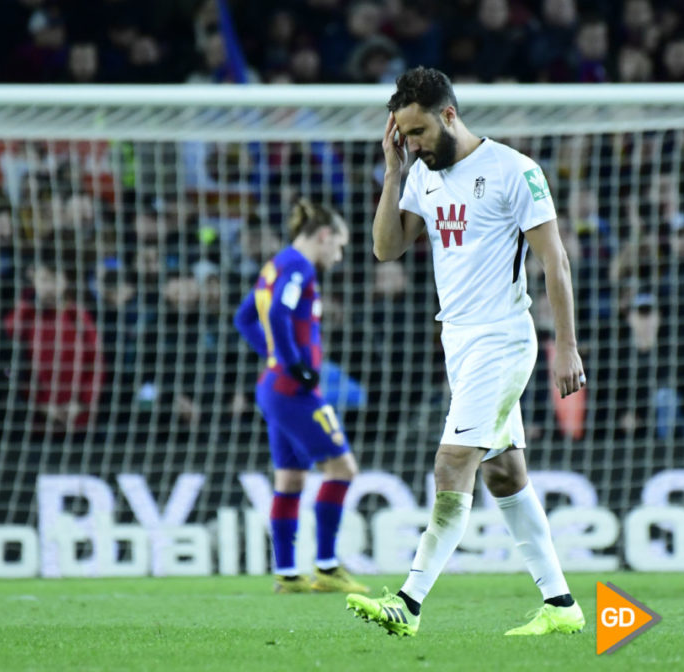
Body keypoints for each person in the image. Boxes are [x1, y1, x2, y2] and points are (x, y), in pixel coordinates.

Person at [345, 67, 586, 636]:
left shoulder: (514, 170)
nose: (414, 143)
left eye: (419, 131)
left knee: (453, 462)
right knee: (504, 474)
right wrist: (392, 170)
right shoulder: (420, 175)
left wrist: (566, 347)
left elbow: (555, 259)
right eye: (403, 135)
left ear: (448, 115)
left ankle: (409, 602)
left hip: (504, 338)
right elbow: (386, 249)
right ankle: (562, 607)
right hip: (459, 341)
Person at [234, 199, 368, 596]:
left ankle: (288, 575)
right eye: (338, 246)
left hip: (272, 387)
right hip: (294, 390)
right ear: (323, 236)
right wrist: (292, 364)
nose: (338, 256)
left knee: (290, 478)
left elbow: (244, 318)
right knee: (343, 470)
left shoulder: (275, 264)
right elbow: (276, 314)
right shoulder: (299, 266)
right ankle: (326, 566)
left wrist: (273, 356)